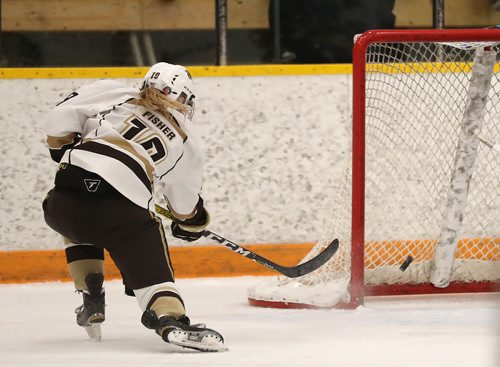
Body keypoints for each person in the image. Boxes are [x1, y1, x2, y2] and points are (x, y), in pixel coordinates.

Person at [42, 62, 226, 352]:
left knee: (78, 220)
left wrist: (61, 147)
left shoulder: (114, 93)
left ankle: (91, 294)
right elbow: (184, 204)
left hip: (62, 202)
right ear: (186, 99)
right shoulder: (188, 140)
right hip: (122, 212)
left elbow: (59, 117)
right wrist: (191, 222)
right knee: (152, 272)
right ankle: (170, 319)